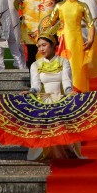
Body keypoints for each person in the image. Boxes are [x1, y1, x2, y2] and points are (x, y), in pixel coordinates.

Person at [25, 32, 81, 160]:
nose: (41, 49)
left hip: (60, 98)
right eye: (39, 46)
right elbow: (36, 86)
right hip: (44, 100)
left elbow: (66, 82)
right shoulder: (35, 65)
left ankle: (67, 150)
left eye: (44, 45)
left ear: (52, 45)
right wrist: (31, 92)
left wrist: (69, 91)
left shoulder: (63, 62)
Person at [54, 0, 97, 92]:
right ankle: (64, 93)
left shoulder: (82, 6)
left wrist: (91, 40)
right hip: (63, 42)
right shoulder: (59, 6)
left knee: (77, 67)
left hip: (78, 42)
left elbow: (91, 24)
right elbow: (49, 24)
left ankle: (79, 92)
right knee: (64, 67)